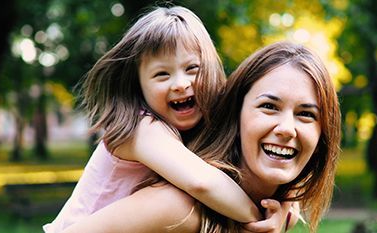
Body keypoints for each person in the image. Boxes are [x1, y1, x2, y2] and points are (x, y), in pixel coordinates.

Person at [62, 42, 341, 233]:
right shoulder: (178, 207)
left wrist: (285, 209)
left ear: (322, 136)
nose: (287, 129)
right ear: (236, 112)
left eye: (306, 114)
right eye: (269, 106)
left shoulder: (275, 211)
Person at [44, 6, 265, 232]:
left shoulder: (196, 128)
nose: (180, 84)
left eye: (192, 68)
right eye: (162, 74)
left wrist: (284, 206)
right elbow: (202, 183)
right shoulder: (139, 128)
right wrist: (258, 219)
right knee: (181, 203)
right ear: (138, 85)